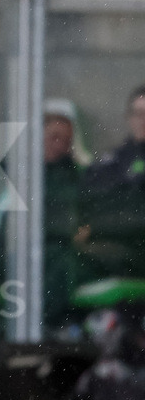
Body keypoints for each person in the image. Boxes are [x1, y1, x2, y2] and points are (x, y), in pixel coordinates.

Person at [76, 87, 145, 281]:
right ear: (128, 118)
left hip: (133, 252)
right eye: (138, 114)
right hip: (105, 246)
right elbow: (88, 198)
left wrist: (96, 228)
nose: (143, 120)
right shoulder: (114, 160)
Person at [41, 112, 82, 335]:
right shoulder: (9, 169)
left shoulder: (72, 176)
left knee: (58, 260)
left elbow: (74, 216)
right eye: (54, 137)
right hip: (6, 245)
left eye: (66, 141)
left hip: (53, 244)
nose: (60, 146)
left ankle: (44, 328)